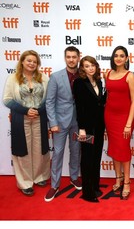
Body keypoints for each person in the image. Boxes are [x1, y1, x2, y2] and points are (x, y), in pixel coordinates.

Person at [2, 50, 50, 196]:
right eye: (29, 60)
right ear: (22, 61)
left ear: (38, 64)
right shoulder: (13, 79)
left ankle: (40, 177)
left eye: (34, 62)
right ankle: (25, 182)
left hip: (39, 118)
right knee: (23, 151)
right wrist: (25, 111)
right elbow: (7, 99)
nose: (31, 63)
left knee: (39, 148)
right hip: (21, 119)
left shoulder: (44, 78)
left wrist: (38, 110)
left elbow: (49, 99)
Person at [44, 46, 82, 202]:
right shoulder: (55, 77)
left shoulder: (83, 75)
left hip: (78, 122)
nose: (71, 59)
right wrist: (52, 122)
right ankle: (54, 185)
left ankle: (74, 177)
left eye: (74, 57)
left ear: (79, 57)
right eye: (69, 57)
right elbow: (49, 101)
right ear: (65, 58)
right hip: (59, 123)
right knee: (58, 153)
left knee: (76, 150)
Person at [104, 46, 134, 200]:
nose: (118, 58)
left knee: (123, 148)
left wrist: (129, 123)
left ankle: (127, 181)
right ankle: (118, 177)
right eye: (116, 55)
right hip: (110, 116)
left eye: (122, 56)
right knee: (114, 148)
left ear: (126, 59)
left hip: (125, 118)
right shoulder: (108, 73)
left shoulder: (130, 76)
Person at [72, 56, 106, 203]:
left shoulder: (98, 81)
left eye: (92, 65)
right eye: (87, 66)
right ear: (82, 68)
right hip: (86, 127)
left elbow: (100, 102)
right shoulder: (79, 82)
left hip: (99, 125)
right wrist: (82, 128)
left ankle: (95, 186)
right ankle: (87, 192)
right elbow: (79, 107)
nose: (90, 68)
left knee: (96, 156)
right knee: (87, 158)